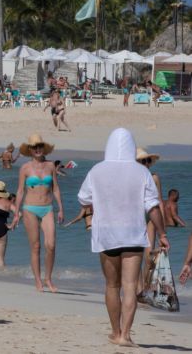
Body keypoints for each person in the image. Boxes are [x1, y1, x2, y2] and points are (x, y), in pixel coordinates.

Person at [78, 128, 169, 348]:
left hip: (107, 235)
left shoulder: (97, 170)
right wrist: (163, 234)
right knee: (129, 286)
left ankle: (115, 331)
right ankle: (125, 335)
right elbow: (153, 207)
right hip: (133, 235)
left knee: (112, 286)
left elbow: (83, 198)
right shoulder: (142, 172)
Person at [12, 134, 64, 292]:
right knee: (35, 246)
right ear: (29, 150)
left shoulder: (50, 166)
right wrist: (16, 212)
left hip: (47, 208)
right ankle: (38, 281)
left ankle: (48, 278)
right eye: (34, 147)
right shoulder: (25, 168)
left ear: (44, 148)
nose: (37, 149)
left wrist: (61, 208)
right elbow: (20, 191)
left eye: (40, 146)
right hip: (30, 208)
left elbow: (55, 188)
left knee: (51, 245)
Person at [136, 148, 165, 296]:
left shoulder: (154, 178)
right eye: (142, 161)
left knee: (149, 256)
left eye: (147, 161)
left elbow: (159, 201)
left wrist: (163, 229)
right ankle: (138, 289)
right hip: (135, 218)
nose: (146, 163)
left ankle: (145, 291)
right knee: (136, 257)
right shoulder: (132, 178)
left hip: (151, 218)